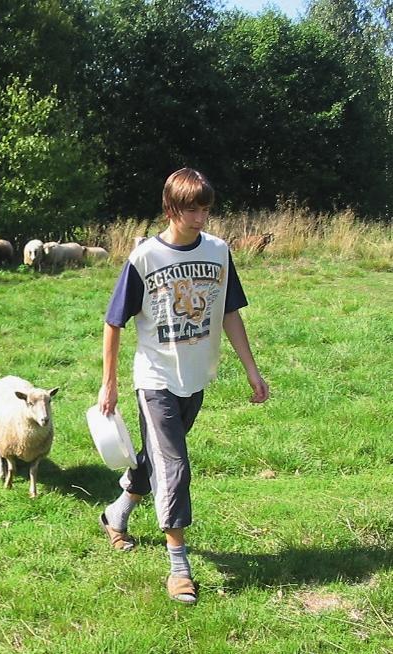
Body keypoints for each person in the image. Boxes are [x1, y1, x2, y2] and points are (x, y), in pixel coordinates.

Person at [97, 167, 269, 604]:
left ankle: (116, 515)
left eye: (206, 208)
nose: (201, 216)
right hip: (154, 378)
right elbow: (114, 322)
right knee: (175, 465)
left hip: (196, 376)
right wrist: (109, 384)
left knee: (157, 456)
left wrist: (251, 369)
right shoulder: (144, 258)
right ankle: (179, 567)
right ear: (172, 207)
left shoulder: (218, 251)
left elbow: (230, 312)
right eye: (192, 208)